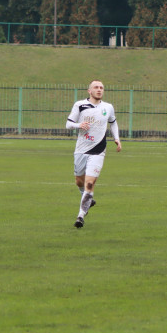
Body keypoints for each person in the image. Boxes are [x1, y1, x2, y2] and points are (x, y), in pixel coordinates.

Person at [65, 80, 122, 228]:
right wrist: (79, 125)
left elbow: (113, 122)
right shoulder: (80, 105)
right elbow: (68, 124)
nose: (99, 90)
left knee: (89, 183)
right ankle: (88, 198)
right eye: (96, 87)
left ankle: (80, 216)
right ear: (89, 91)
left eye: (101, 88)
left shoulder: (108, 107)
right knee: (79, 181)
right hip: (81, 150)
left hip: (98, 150)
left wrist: (117, 138)